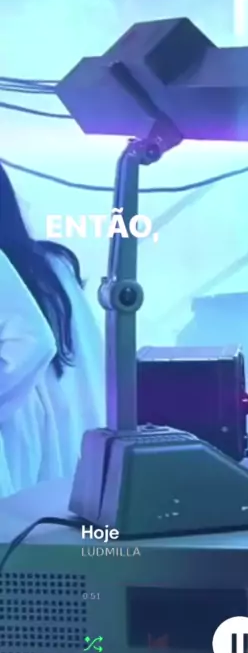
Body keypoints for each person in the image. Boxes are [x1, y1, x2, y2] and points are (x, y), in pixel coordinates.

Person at [0, 164, 105, 498]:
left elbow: (31, 343)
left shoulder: (48, 266)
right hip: (67, 426)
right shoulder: (53, 265)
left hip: (23, 428)